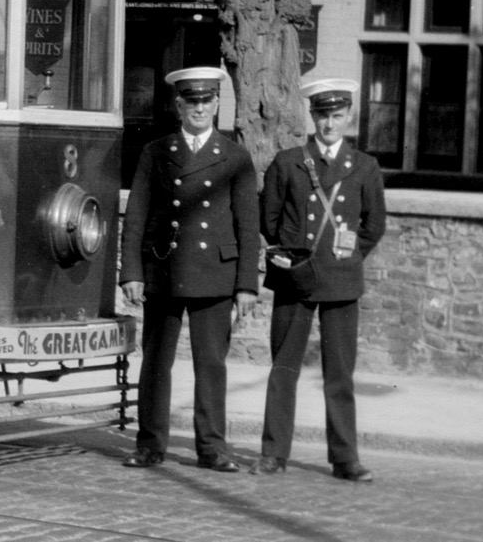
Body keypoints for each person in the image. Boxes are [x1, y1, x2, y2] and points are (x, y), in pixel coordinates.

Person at [120, 66, 260, 473]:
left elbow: (247, 226)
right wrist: (131, 271)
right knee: (156, 363)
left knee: (211, 364)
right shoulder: (155, 151)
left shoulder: (235, 156)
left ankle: (212, 448)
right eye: (191, 101)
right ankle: (149, 445)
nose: (199, 108)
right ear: (178, 105)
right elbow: (137, 216)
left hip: (215, 271)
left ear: (217, 104)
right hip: (164, 268)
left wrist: (246, 285)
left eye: (206, 101)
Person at [249, 78, 386, 481]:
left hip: (342, 281)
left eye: (337, 116)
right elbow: (268, 220)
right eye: (323, 115)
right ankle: (273, 453)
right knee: (283, 369)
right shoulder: (289, 161)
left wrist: (344, 255)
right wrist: (295, 256)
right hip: (296, 279)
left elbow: (374, 225)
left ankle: (345, 458)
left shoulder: (364, 166)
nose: (329, 124)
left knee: (340, 374)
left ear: (348, 118)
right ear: (312, 117)